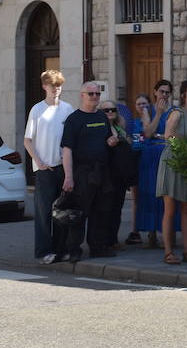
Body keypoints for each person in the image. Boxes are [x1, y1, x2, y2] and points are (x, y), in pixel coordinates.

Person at [57, 81, 120, 262]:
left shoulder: (101, 117)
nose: (95, 97)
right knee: (79, 212)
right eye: (91, 94)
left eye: (97, 94)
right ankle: (73, 250)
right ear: (82, 95)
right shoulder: (73, 119)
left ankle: (97, 247)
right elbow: (66, 149)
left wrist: (111, 141)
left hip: (102, 171)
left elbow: (107, 137)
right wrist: (68, 177)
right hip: (82, 172)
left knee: (101, 211)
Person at [23, 69, 74, 263]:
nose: (56, 89)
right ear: (45, 86)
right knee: (44, 212)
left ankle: (61, 249)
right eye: (53, 86)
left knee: (61, 212)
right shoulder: (37, 110)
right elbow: (27, 140)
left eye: (59, 86)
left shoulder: (67, 109)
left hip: (63, 167)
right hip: (45, 169)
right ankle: (44, 251)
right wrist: (39, 162)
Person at [156, 80, 187, 264]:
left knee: (186, 209)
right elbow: (167, 135)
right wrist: (183, 141)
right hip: (172, 162)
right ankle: (168, 252)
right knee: (170, 209)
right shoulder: (177, 113)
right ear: (184, 95)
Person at [134, 80, 172, 248]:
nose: (164, 95)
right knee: (151, 194)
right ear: (155, 92)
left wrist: (160, 135)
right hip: (150, 157)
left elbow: (172, 135)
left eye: (167, 92)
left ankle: (167, 233)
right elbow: (148, 133)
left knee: (167, 196)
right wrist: (158, 114)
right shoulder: (148, 111)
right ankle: (151, 232)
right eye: (161, 91)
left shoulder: (173, 112)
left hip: (166, 155)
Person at [99, 99, 137, 251]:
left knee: (117, 208)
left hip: (119, 176)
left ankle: (113, 238)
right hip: (106, 174)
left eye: (112, 110)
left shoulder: (120, 128)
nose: (110, 113)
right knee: (105, 209)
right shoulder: (100, 129)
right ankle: (104, 240)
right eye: (106, 110)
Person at [123, 93, 152, 245]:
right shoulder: (133, 123)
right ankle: (135, 231)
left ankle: (152, 231)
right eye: (139, 104)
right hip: (135, 161)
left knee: (150, 196)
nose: (141, 106)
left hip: (148, 160)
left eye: (144, 104)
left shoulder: (151, 122)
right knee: (136, 198)